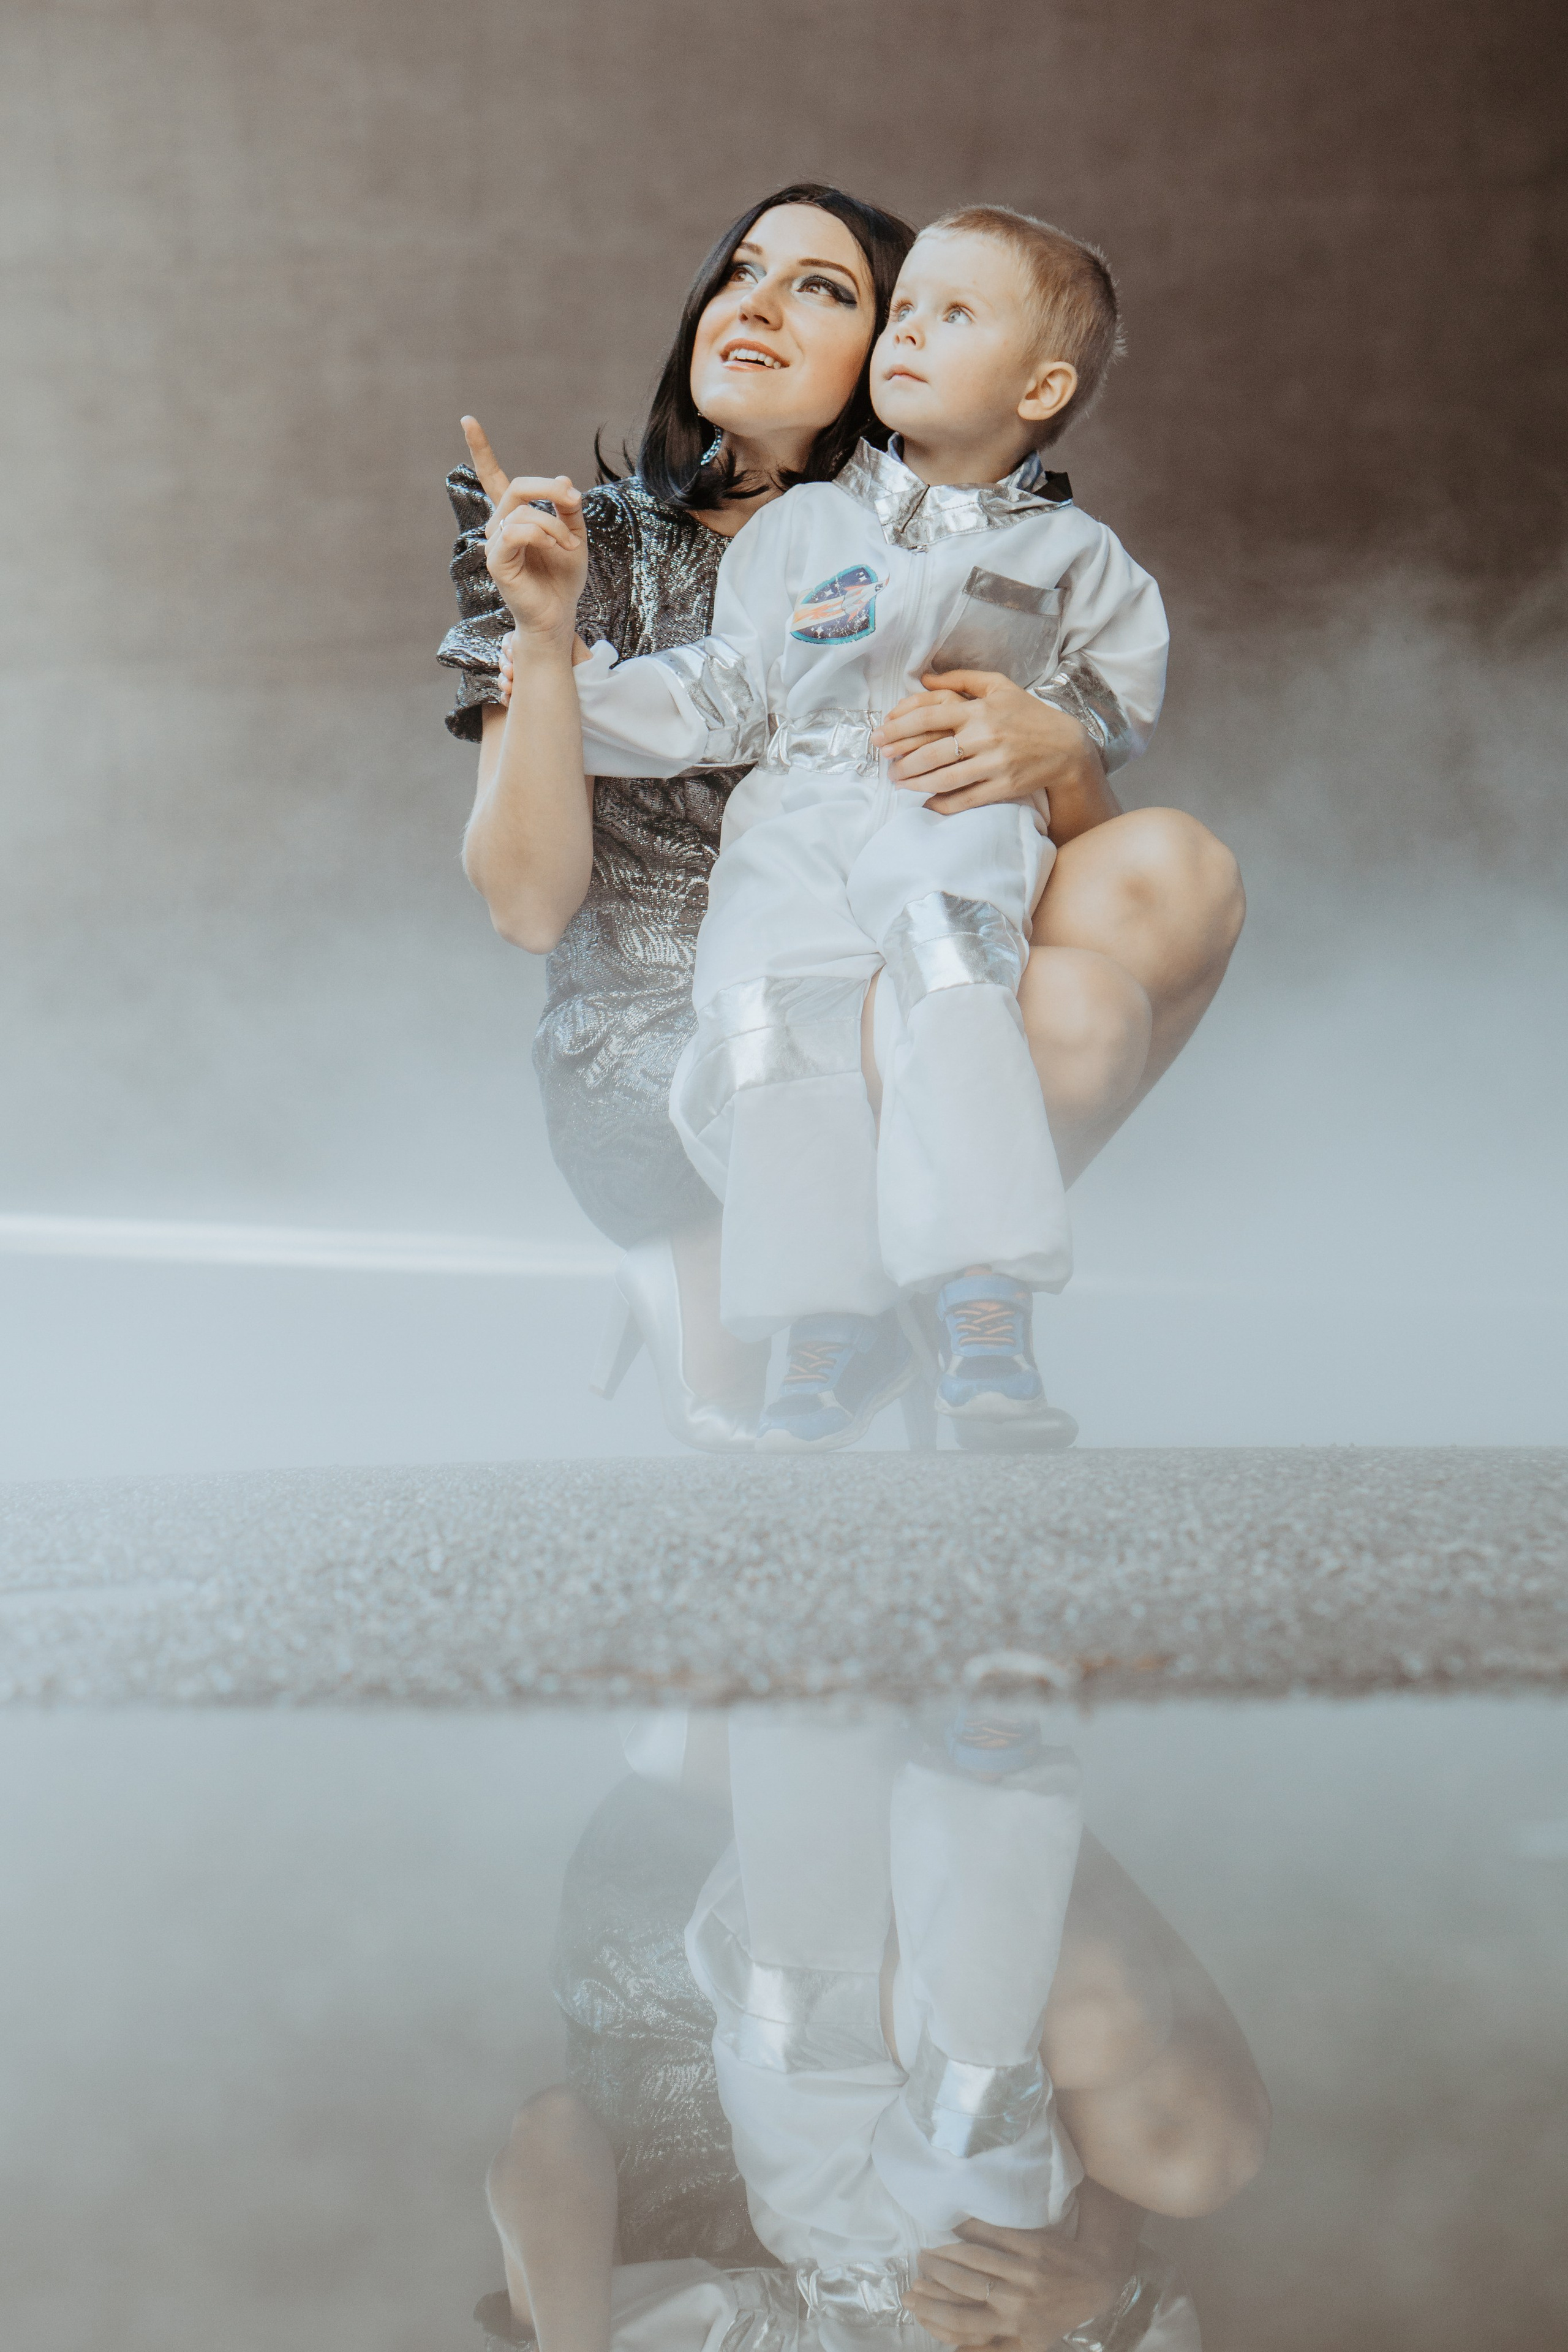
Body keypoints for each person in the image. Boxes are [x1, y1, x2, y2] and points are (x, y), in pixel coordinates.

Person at [443, 185, 1244, 1452]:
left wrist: (1060, 748)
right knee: (820, 1018)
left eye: (826, 288)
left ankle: (957, 1296)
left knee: (1050, 936)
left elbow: (1094, 756)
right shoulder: (590, 538)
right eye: (741, 270)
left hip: (922, 877)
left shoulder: (1053, 550)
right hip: (681, 994)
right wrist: (545, 652)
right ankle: (822, 1302)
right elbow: (558, 869)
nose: (757, 303)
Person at [475, 1714, 1270, 2352]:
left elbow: (552, 2138)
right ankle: (978, 1778)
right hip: (974, 2165)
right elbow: (1134, 2305)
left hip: (770, 2059)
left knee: (804, 2004)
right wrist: (1095, 2282)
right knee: (1109, 2048)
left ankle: (824, 1727)